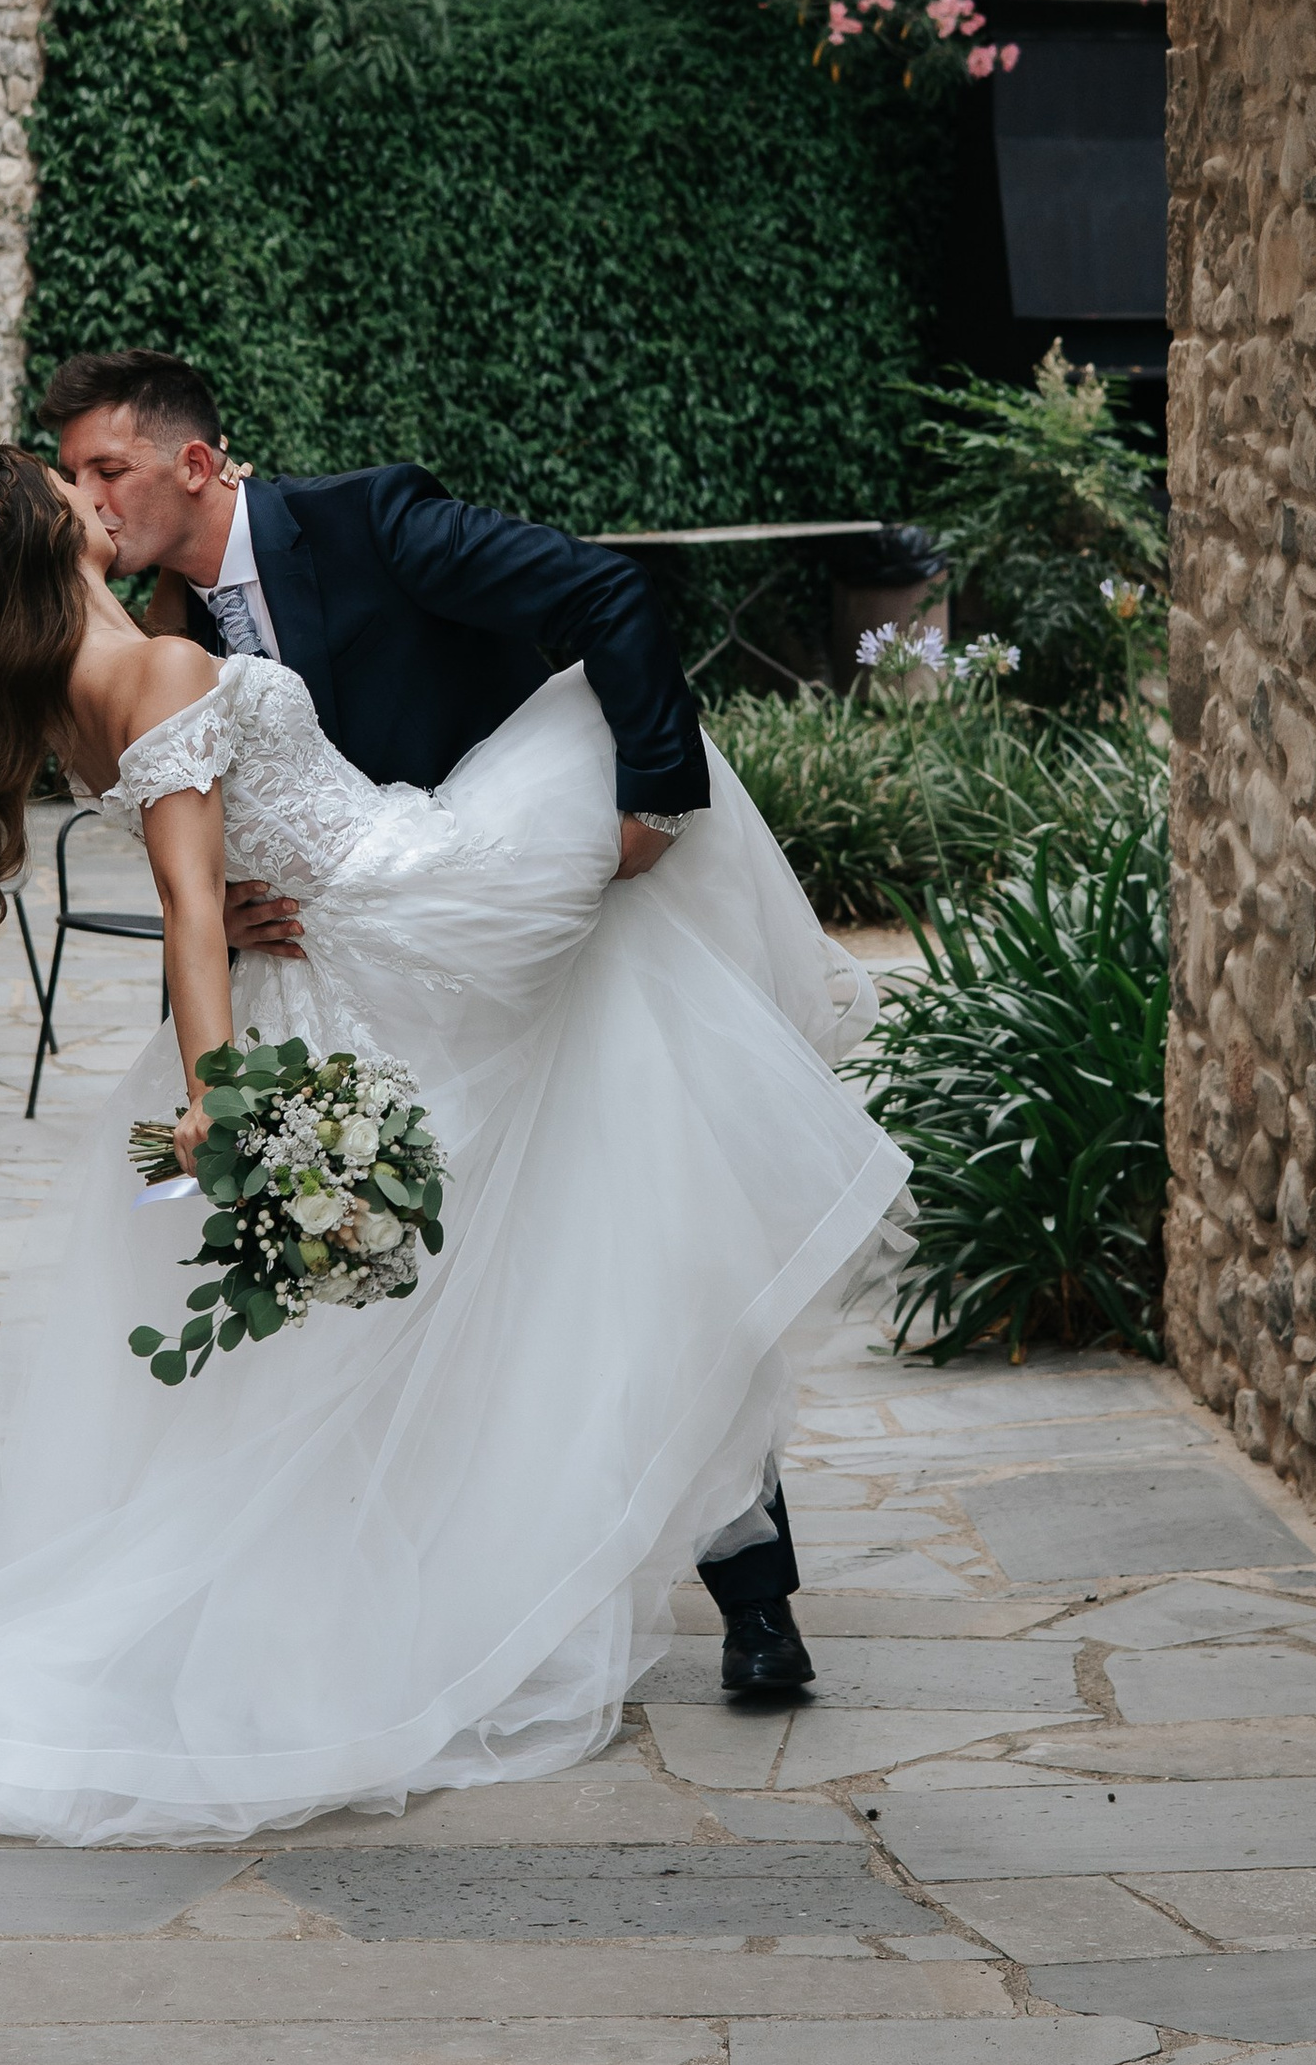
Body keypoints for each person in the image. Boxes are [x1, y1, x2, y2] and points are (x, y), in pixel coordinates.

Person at [0, 441, 908, 1850]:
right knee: (605, 733)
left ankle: (570, 1543)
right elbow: (193, 902)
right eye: (65, 477)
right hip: (408, 897)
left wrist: (222, 1029)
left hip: (326, 934)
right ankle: (794, 1007)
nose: (94, 490)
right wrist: (216, 1098)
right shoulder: (156, 666)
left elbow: (199, 864)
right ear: (44, 522)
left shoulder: (90, 690)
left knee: (555, 1128)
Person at [43, 346, 812, 1700]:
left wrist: (651, 800)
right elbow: (187, 841)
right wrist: (220, 921)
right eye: (74, 477)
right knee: (438, 1291)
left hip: (532, 925)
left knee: (648, 1239)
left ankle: (756, 1602)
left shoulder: (368, 520)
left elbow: (604, 591)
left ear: (197, 463)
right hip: (363, 992)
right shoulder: (152, 639)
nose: (90, 499)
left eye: (108, 467)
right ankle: (465, 1600)